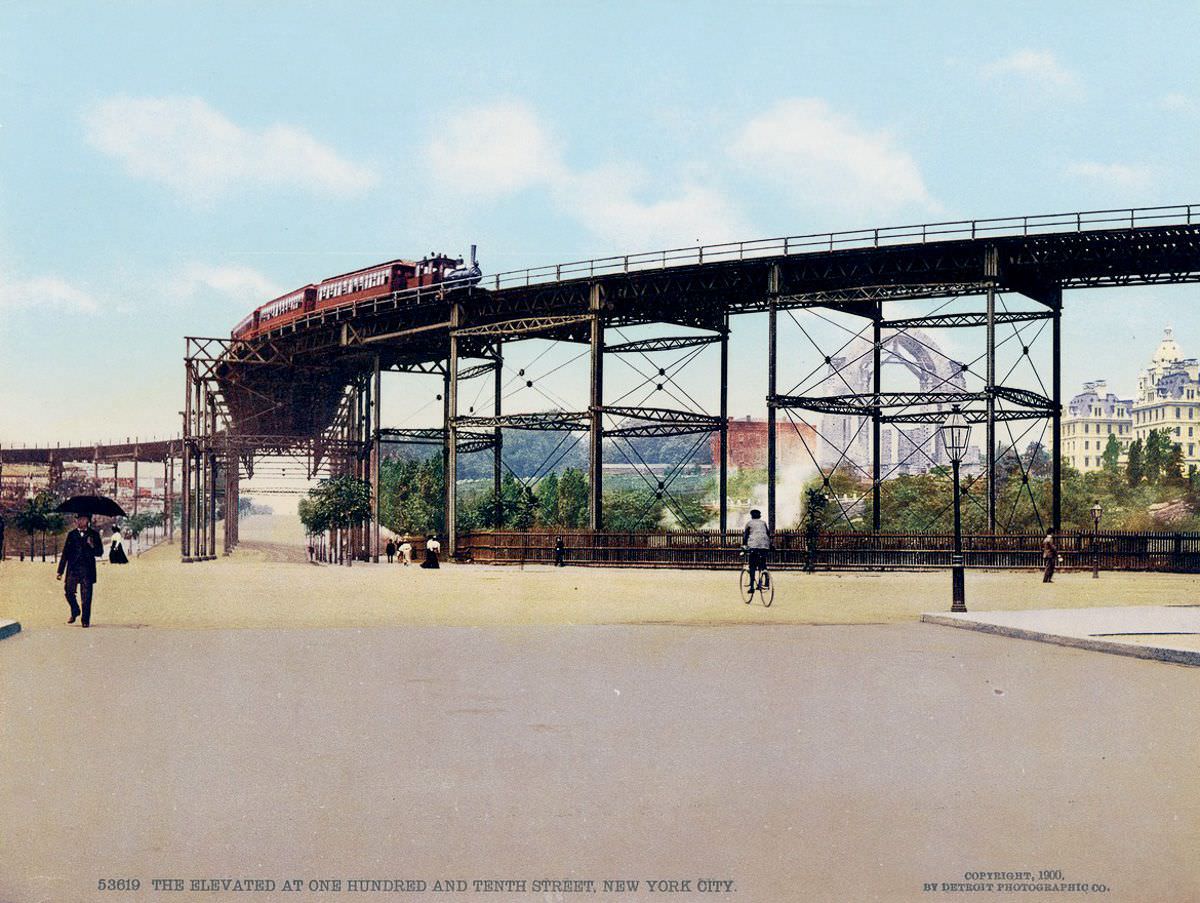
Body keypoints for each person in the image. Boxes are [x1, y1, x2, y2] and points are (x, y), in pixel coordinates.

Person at [56, 513, 104, 627]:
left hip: (87, 569)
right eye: (78, 519)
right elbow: (65, 553)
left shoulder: (94, 535)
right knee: (68, 592)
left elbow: (100, 552)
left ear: (87, 520)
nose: (80, 521)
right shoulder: (71, 535)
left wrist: (92, 545)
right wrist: (60, 571)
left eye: (83, 519)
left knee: (86, 595)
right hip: (73, 568)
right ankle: (75, 610)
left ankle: (85, 620)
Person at [742, 508, 772, 597]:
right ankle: (765, 580)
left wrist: (744, 545)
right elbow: (768, 533)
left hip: (754, 546)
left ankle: (751, 587)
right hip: (765, 545)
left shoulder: (749, 523)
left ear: (751, 516)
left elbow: (745, 536)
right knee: (762, 563)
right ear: (760, 516)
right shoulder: (763, 523)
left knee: (752, 566)